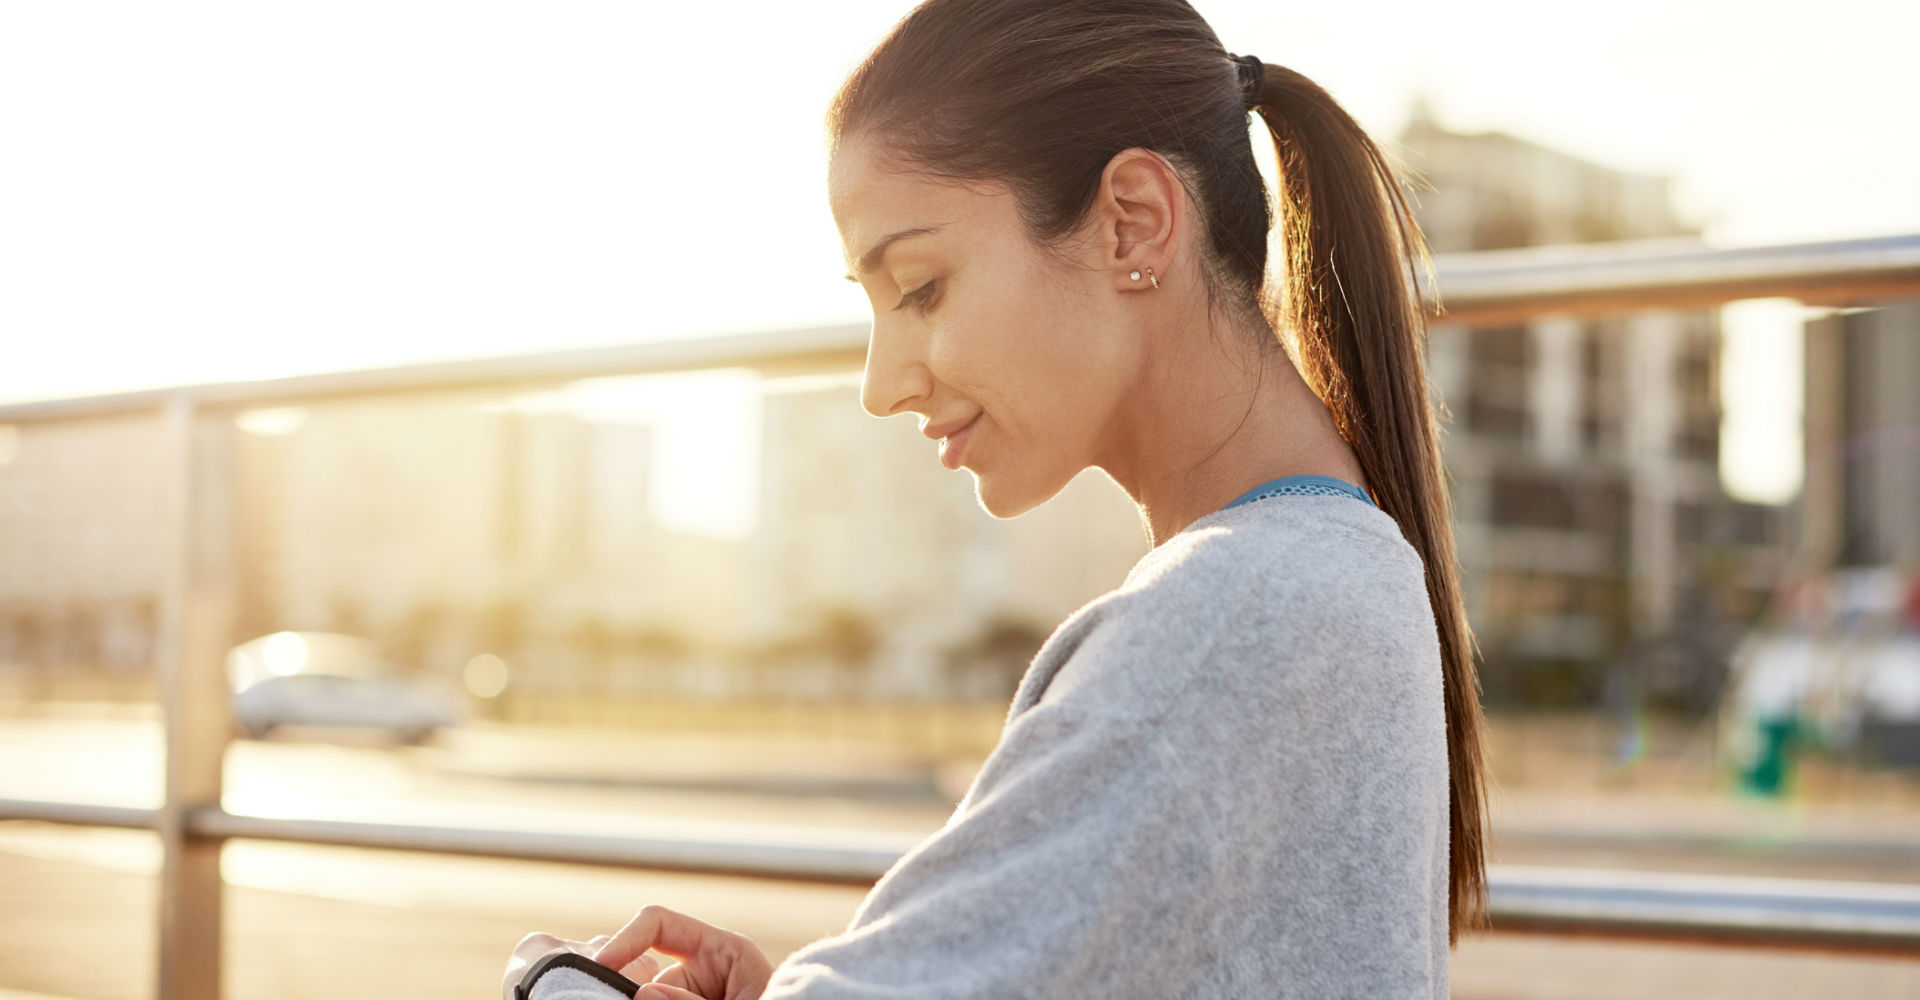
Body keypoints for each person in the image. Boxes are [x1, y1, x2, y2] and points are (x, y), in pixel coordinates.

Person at [505, 0, 1490, 996]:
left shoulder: (1231, 614)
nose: (883, 383)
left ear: (1132, 222)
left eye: (923, 287)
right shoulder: (1343, 568)